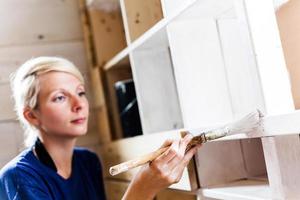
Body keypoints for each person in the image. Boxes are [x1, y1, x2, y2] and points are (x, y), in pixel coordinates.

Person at [0, 57, 200, 200]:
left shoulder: (87, 162)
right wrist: (143, 187)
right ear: (32, 115)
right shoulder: (20, 177)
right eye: (60, 97)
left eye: (80, 92)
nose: (78, 104)